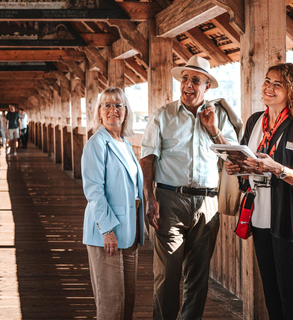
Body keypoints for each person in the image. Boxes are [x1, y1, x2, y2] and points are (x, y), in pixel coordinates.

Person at [140, 55, 238, 320]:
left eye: (195, 80)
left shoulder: (219, 116)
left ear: (207, 87)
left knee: (198, 277)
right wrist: (150, 198)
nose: (188, 85)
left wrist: (214, 129)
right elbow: (147, 158)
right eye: (184, 79)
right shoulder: (163, 115)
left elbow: (234, 158)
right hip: (170, 200)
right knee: (168, 274)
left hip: (208, 203)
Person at [225, 63, 293, 319]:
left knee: (291, 291)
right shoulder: (255, 121)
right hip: (259, 216)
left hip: (286, 219)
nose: (269, 87)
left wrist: (277, 168)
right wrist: (238, 168)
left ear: (292, 91)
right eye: (267, 81)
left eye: (278, 84)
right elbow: (247, 162)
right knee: (270, 288)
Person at [81, 87, 145, 320]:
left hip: (129, 233)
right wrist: (106, 230)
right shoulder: (96, 144)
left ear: (126, 111)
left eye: (118, 105)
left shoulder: (125, 143)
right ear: (99, 112)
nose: (113, 110)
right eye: (106, 105)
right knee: (111, 305)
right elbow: (94, 191)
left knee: (127, 302)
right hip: (107, 233)